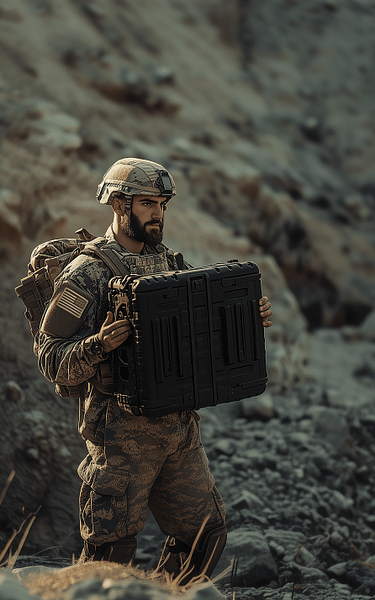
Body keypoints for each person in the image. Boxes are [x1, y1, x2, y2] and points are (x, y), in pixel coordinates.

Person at [35, 158, 273, 584]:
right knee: (111, 554)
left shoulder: (168, 263)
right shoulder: (86, 273)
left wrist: (244, 319)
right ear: (119, 205)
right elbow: (50, 355)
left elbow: (195, 334)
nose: (158, 213)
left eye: (162, 204)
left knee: (205, 535)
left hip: (178, 430)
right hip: (120, 437)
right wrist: (98, 345)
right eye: (148, 203)